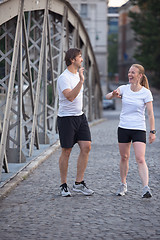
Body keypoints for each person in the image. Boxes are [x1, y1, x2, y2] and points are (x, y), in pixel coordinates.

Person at [106, 64, 156, 198]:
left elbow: (150, 114)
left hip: (139, 128)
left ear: (140, 76)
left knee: (140, 158)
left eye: (133, 72)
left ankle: (145, 188)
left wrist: (152, 131)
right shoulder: (123, 89)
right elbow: (108, 97)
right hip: (123, 128)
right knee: (124, 157)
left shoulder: (146, 92)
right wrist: (113, 94)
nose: (130, 74)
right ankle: (123, 184)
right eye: (129, 72)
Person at [57, 48, 94, 197]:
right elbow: (70, 97)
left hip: (80, 116)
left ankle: (78, 183)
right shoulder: (63, 78)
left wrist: (80, 79)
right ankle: (63, 185)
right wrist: (81, 81)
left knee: (86, 146)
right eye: (80, 57)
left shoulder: (77, 75)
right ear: (72, 60)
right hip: (66, 118)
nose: (82, 60)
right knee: (67, 151)